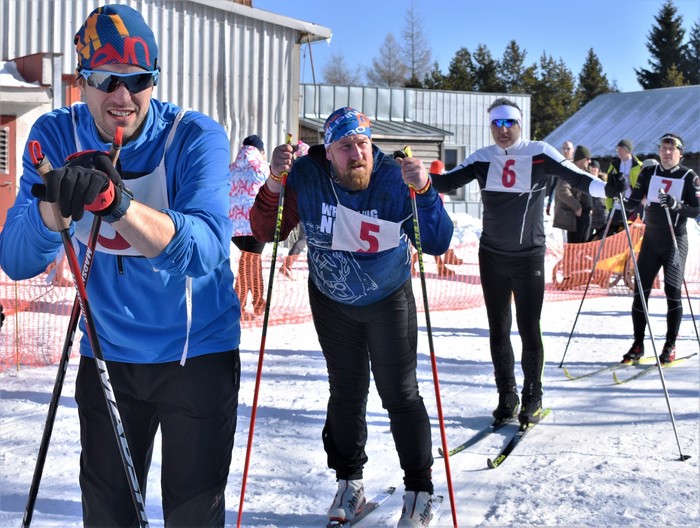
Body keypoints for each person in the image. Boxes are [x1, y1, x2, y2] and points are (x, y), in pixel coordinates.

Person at [0, 5, 240, 526]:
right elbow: (16, 259)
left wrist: (116, 204)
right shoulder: (56, 135)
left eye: (138, 80)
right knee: (108, 517)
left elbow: (205, 250)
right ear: (82, 80)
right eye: (105, 79)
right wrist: (53, 208)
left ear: (154, 79)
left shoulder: (193, 137)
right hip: (107, 354)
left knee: (193, 515)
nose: (122, 96)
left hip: (195, 354)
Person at [250, 107, 454, 527]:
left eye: (363, 143)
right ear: (328, 152)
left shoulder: (394, 176)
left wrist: (425, 190)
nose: (357, 153)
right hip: (332, 301)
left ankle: (419, 489)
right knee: (345, 392)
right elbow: (266, 231)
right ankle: (349, 483)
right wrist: (273, 181)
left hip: (387, 298)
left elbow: (436, 242)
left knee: (400, 394)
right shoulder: (307, 173)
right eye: (345, 147)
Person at [431, 97, 625, 427]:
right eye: (496, 124)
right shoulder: (483, 158)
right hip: (492, 256)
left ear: (520, 125)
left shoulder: (538, 152)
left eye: (509, 123)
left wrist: (607, 188)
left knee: (528, 327)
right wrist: (412, 174)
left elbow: (577, 177)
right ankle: (507, 395)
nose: (503, 130)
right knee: (498, 329)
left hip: (528, 257)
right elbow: (445, 182)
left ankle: (533, 395)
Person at [620, 133, 700, 365]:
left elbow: (696, 210)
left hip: (675, 240)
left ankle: (670, 345)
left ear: (680, 154)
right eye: (663, 148)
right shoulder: (648, 172)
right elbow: (633, 202)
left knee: (672, 291)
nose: (667, 153)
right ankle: (638, 344)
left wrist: (677, 205)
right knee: (640, 291)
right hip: (651, 240)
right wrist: (617, 192)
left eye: (671, 149)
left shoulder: (688, 176)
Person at [230, 134, 269, 317]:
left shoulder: (231, 168)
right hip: (256, 223)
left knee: (251, 261)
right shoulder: (263, 168)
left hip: (234, 225)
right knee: (249, 263)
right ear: (260, 151)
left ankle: (258, 302)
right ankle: (239, 305)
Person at [279, 141, 310, 279]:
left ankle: (288, 265)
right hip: (304, 207)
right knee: (304, 238)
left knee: (306, 238)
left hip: (297, 206)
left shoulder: (292, 168)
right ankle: (287, 265)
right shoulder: (304, 169)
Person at [553, 145, 594, 243]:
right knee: (575, 247)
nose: (590, 162)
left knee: (585, 246)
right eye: (588, 159)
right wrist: (577, 207)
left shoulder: (584, 171)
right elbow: (562, 191)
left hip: (585, 215)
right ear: (581, 159)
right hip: (575, 218)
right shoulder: (571, 171)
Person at [606, 138, 643, 230]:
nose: (618, 152)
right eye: (617, 149)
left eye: (621, 149)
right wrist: (609, 206)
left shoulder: (639, 166)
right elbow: (609, 186)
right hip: (616, 207)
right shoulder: (614, 165)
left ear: (628, 150)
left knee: (629, 234)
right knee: (612, 233)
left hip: (631, 207)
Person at [545, 140, 574, 216]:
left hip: (573, 203)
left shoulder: (576, 166)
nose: (565, 151)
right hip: (560, 205)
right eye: (564, 148)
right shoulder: (559, 166)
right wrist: (549, 203)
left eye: (568, 149)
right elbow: (553, 185)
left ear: (573, 150)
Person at [587, 160, 609, 241]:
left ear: (598, 169)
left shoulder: (603, 181)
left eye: (595, 167)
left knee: (602, 237)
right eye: (591, 167)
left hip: (602, 213)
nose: (593, 169)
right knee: (589, 238)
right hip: (591, 214)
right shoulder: (586, 181)